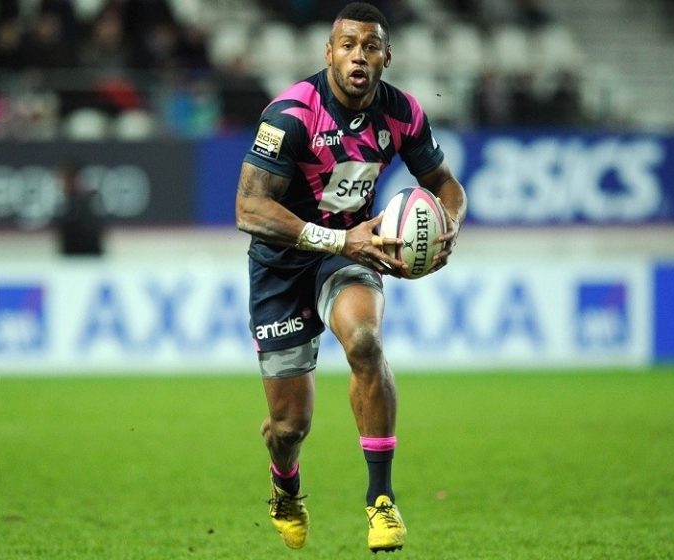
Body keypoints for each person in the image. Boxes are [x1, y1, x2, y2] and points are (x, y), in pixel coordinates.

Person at [234, 2, 467, 553]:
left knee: (365, 341)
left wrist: (447, 226)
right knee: (289, 427)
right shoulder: (291, 113)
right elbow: (249, 209)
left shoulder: (403, 113)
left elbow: (447, 187)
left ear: (386, 55)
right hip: (281, 262)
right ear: (329, 52)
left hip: (350, 252)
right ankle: (285, 484)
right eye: (348, 44)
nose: (358, 55)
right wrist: (341, 238)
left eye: (370, 46)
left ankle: (380, 501)